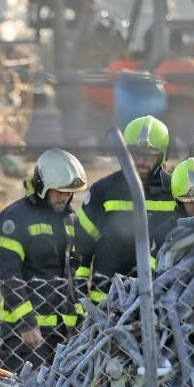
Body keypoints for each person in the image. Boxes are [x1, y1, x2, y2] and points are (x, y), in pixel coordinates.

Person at [0, 148, 89, 372]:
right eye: (60, 192)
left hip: (62, 333)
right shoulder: (14, 220)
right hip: (25, 335)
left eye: (70, 193)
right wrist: (27, 322)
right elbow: (9, 275)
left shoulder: (68, 218)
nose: (66, 197)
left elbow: (71, 273)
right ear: (43, 187)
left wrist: (78, 319)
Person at [74, 115, 177, 302]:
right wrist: (80, 301)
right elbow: (80, 250)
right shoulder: (103, 191)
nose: (141, 161)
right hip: (106, 303)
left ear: (162, 155)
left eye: (149, 154)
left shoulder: (175, 191)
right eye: (134, 154)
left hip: (161, 299)